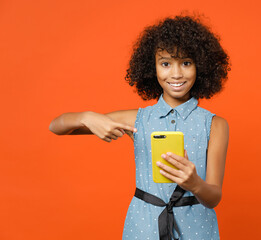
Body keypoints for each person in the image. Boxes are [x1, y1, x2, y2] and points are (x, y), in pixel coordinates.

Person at [49, 15, 230, 240]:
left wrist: (194, 183)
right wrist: (87, 117)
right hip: (144, 227)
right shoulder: (137, 119)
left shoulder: (214, 124)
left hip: (198, 229)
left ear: (200, 66)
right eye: (165, 63)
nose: (176, 74)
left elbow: (213, 197)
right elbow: (55, 126)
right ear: (151, 67)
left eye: (186, 62)